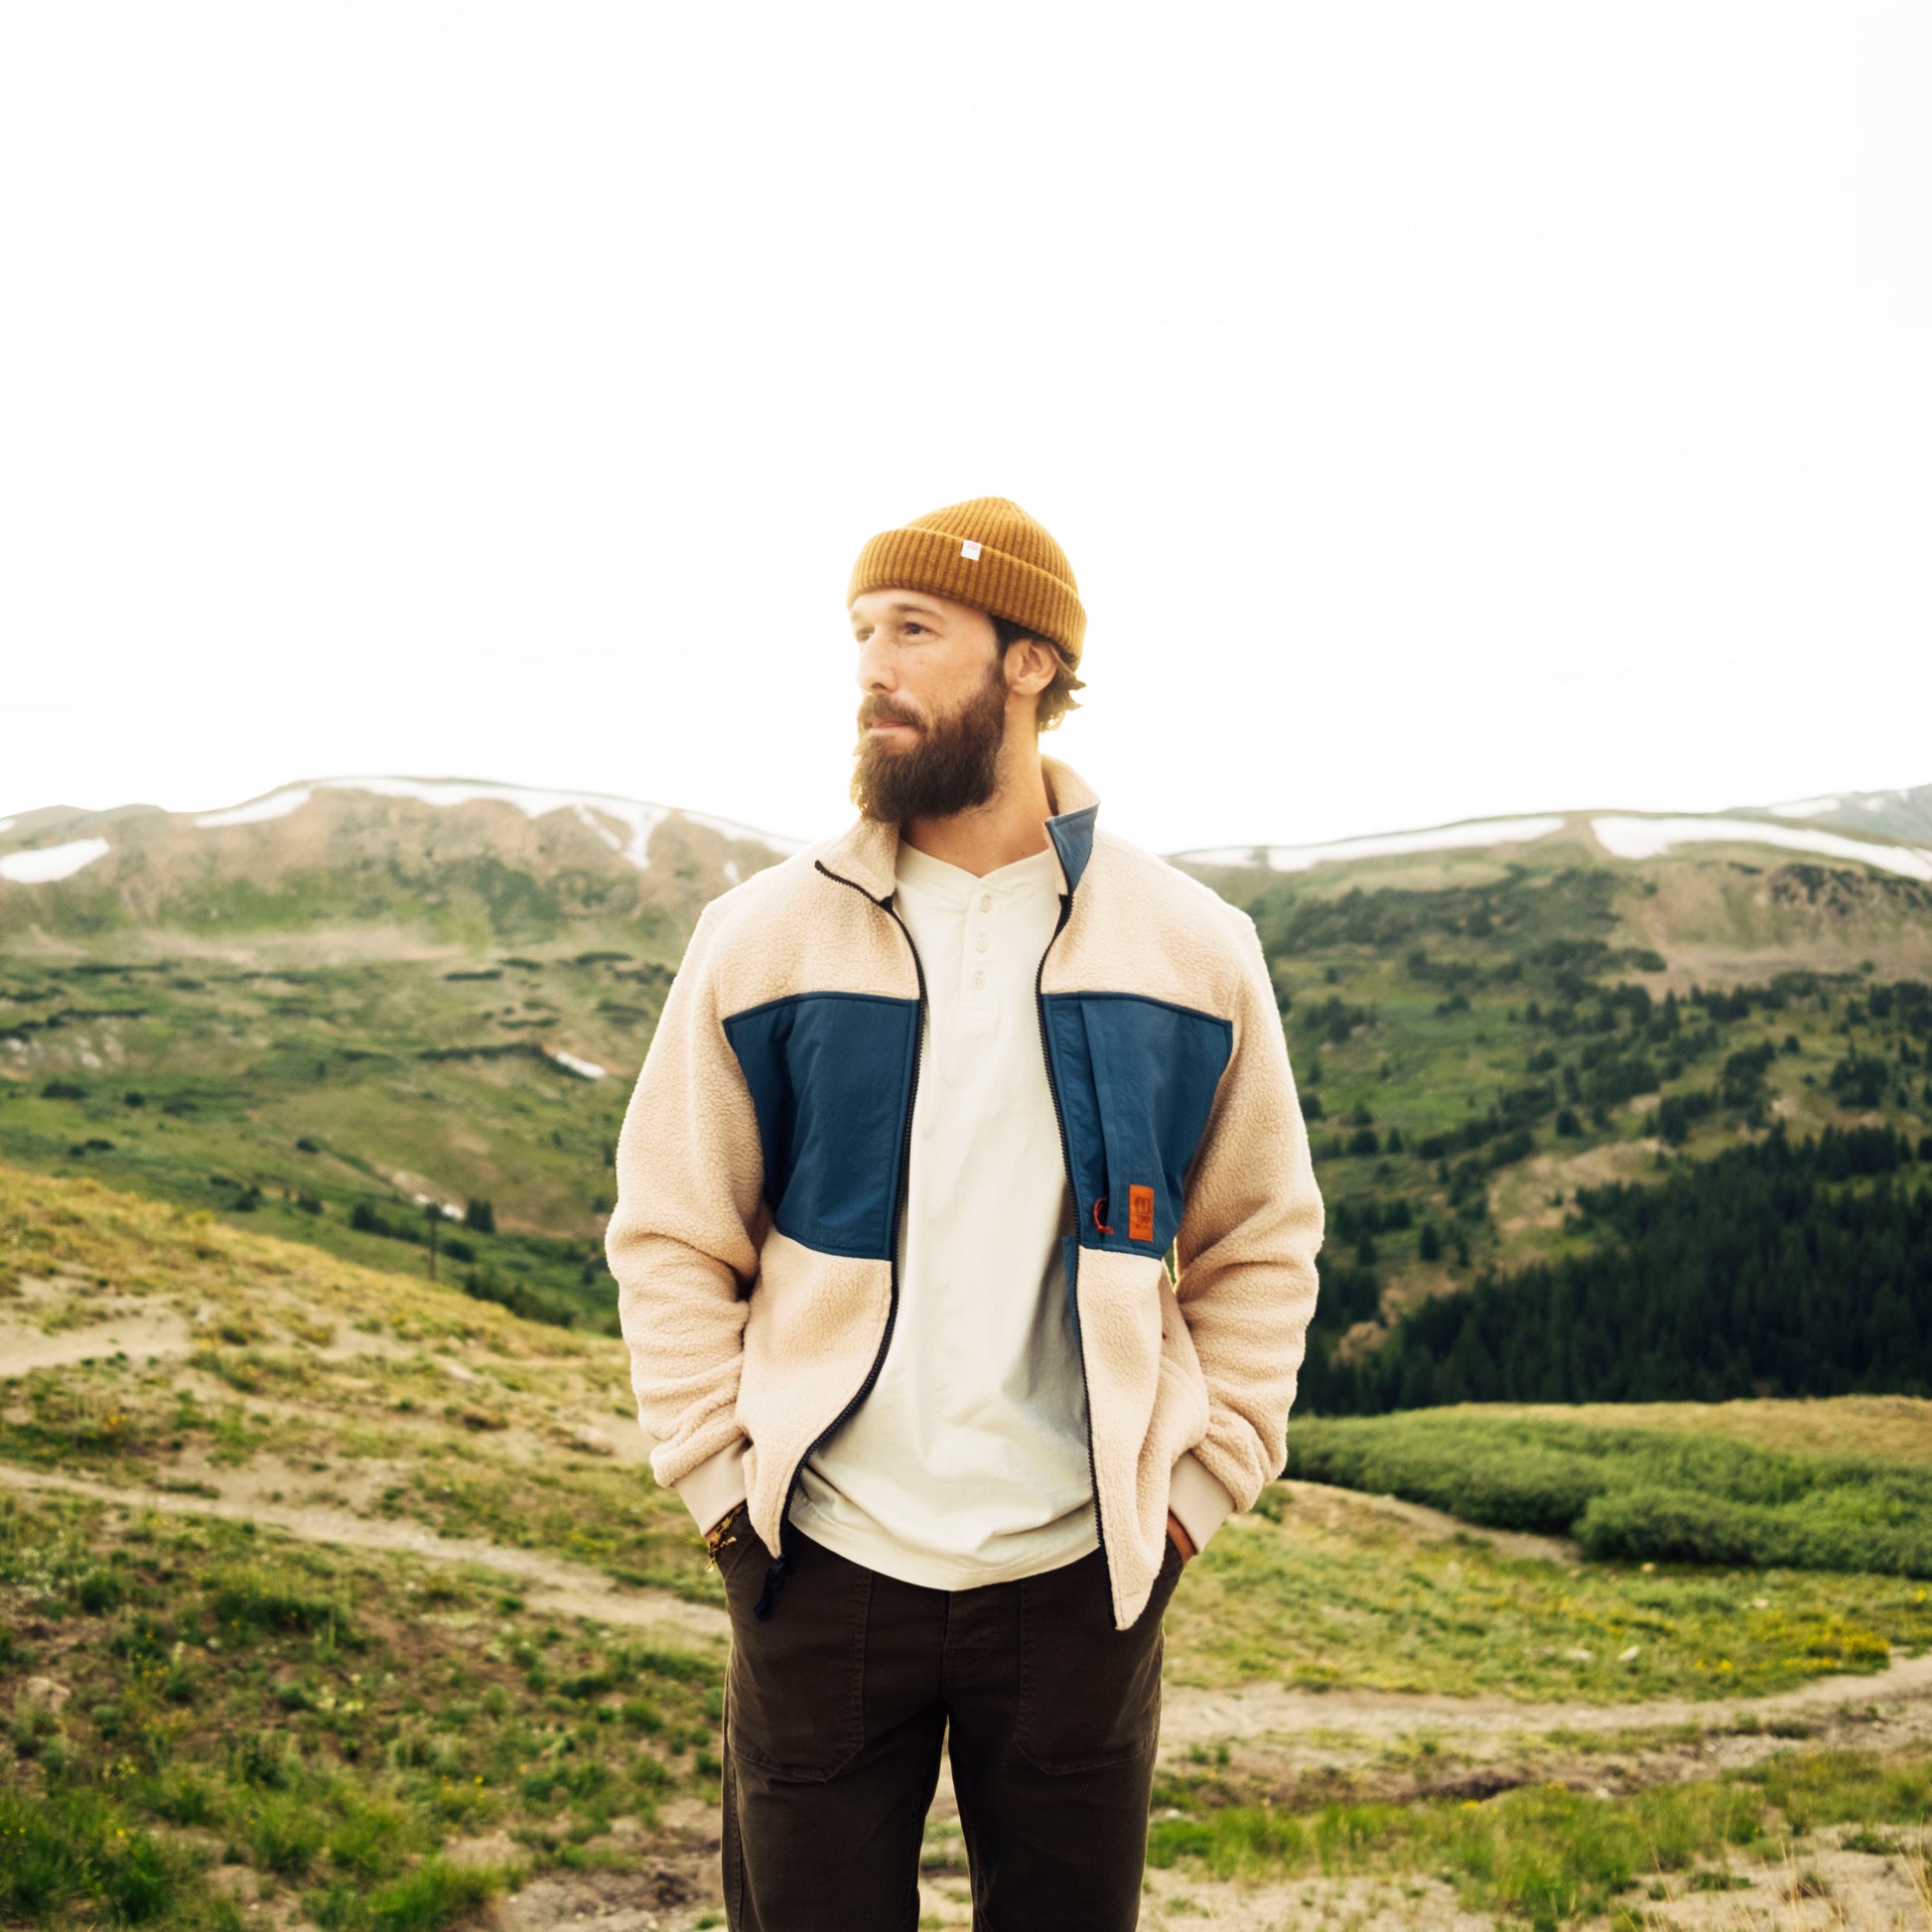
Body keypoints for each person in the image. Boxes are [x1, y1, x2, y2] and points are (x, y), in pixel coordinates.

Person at [606, 496, 1324, 1929]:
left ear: (1029, 665)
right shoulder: (763, 935)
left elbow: (1257, 1242)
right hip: (821, 1565)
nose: (871, 667)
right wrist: (717, 1489)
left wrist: (1187, 1499)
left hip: (1080, 1581)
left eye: (913, 630)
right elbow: (672, 1229)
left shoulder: (1190, 945)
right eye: (861, 632)